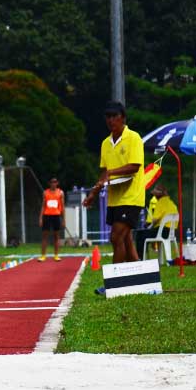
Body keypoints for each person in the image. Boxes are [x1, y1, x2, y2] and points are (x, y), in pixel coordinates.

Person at [83, 101, 145, 294]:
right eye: (108, 117)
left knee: (115, 237)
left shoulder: (133, 138)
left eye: (114, 116)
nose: (111, 121)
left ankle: (113, 284)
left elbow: (135, 166)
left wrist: (112, 172)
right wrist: (93, 192)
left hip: (131, 196)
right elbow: (104, 172)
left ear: (123, 118)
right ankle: (142, 281)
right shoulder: (105, 143)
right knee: (125, 241)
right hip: (114, 198)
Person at [134, 184, 178, 260]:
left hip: (161, 232)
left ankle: (140, 258)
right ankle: (142, 257)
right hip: (171, 232)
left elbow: (155, 219)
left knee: (140, 234)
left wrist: (149, 225)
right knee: (144, 233)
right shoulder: (172, 204)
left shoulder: (160, 203)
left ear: (158, 196)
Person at [38, 177, 65, 262]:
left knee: (56, 236)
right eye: (52, 182)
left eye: (55, 182)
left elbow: (63, 206)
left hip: (56, 215)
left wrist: (64, 219)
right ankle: (43, 255)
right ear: (49, 183)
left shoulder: (60, 193)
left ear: (57, 183)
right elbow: (43, 206)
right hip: (47, 215)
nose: (53, 184)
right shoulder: (45, 193)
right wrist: (40, 218)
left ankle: (56, 255)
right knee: (45, 236)